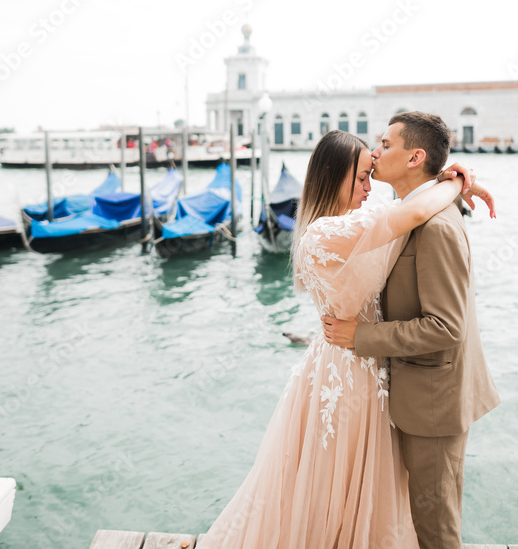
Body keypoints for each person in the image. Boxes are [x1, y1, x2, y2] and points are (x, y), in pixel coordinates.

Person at [201, 128, 493, 548]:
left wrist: (446, 181)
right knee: (336, 481)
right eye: (360, 178)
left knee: (362, 486)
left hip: (366, 363)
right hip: (348, 369)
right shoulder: (325, 234)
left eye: (370, 176)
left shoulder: (353, 224)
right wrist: (456, 182)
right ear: (332, 176)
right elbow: (410, 213)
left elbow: (406, 210)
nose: (368, 188)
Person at [322, 112, 501, 549]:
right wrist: (456, 181)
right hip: (413, 394)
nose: (376, 151)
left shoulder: (436, 226)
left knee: (436, 529)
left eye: (386, 144)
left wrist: (358, 338)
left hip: (433, 404)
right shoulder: (411, 210)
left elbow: (445, 327)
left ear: (414, 157)